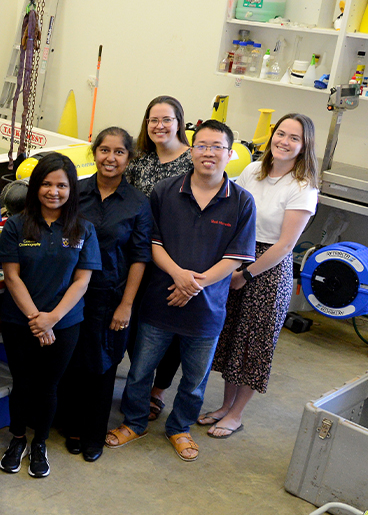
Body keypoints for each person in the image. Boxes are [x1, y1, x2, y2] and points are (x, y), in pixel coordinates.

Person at [106, 120, 256, 462]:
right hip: (160, 301)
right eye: (202, 145)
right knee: (141, 369)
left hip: (207, 310)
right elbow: (152, 243)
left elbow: (235, 258)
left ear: (230, 154)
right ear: (191, 151)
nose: (209, 153)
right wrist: (179, 276)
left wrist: (194, 285)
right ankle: (134, 422)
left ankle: (179, 428)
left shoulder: (242, 202)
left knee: (194, 378)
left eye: (217, 146)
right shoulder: (165, 191)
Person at [200, 114, 319, 438]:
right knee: (232, 339)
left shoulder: (302, 187)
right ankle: (225, 406)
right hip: (238, 258)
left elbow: (285, 245)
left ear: (304, 145)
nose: (284, 141)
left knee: (253, 345)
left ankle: (236, 414)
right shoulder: (253, 170)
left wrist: (246, 274)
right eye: (281, 133)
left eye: (294, 138)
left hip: (266, 273)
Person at [0, 153, 101, 478]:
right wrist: (35, 318)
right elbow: (11, 276)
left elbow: (82, 280)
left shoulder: (84, 229)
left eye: (61, 185)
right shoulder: (15, 225)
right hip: (19, 321)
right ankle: (17, 439)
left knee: (48, 386)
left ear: (72, 189)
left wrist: (52, 318)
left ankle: (39, 442)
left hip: (65, 322)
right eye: (46, 184)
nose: (53, 191)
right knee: (22, 383)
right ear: (35, 186)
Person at [59, 127, 151, 463]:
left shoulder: (138, 203)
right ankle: (73, 427)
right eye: (104, 150)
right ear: (94, 152)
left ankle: (94, 433)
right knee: (71, 361)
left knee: (103, 365)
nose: (110, 158)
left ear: (129, 158)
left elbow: (141, 257)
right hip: (71, 292)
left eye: (119, 152)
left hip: (112, 296)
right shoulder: (75, 192)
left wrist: (126, 305)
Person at [124, 95, 193, 422]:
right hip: (138, 254)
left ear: (179, 122)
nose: (160, 126)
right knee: (136, 325)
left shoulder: (194, 161)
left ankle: (158, 390)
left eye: (167, 119)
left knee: (168, 329)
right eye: (153, 120)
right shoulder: (139, 161)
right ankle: (139, 383)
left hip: (174, 257)